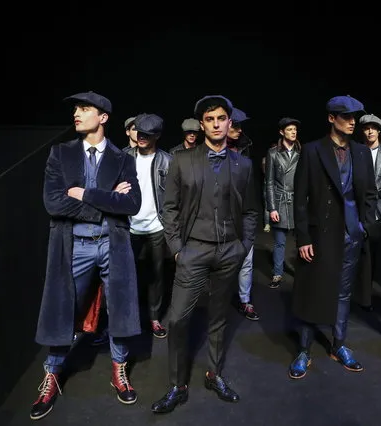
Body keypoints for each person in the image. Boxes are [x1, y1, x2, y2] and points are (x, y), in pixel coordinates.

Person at [31, 91, 142, 420]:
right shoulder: (60, 154)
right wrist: (106, 202)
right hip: (74, 244)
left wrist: (86, 194)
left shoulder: (123, 159)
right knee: (63, 309)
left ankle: (119, 370)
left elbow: (131, 205)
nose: (77, 114)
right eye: (76, 109)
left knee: (120, 308)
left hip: (113, 243)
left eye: (85, 109)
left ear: (103, 118)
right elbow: (54, 203)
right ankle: (52, 375)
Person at [152, 95, 257, 414]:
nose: (215, 124)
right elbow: (168, 208)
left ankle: (214, 374)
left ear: (229, 123)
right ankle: (177, 385)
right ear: (202, 124)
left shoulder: (244, 164)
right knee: (179, 318)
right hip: (192, 250)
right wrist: (177, 250)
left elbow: (252, 211)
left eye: (221, 118)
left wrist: (243, 247)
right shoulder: (182, 160)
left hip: (228, 251)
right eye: (210, 119)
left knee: (219, 317)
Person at [288, 95, 377, 380]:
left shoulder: (361, 153)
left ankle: (338, 344)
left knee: (343, 292)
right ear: (331, 118)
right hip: (320, 235)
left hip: (352, 233)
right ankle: (303, 350)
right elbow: (299, 198)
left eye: (355, 117)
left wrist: (365, 226)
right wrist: (303, 237)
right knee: (312, 290)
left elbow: (371, 193)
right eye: (346, 116)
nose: (353, 122)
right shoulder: (313, 150)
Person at [126, 113, 172, 339]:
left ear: (158, 135)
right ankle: (128, 319)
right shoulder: (123, 157)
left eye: (148, 134)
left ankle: (154, 318)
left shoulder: (167, 161)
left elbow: (174, 198)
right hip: (127, 227)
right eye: (139, 132)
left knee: (156, 275)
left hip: (156, 227)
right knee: (125, 276)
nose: (142, 137)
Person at [357, 114, 381, 300]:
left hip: (376, 210)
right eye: (366, 128)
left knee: (370, 256)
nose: (370, 131)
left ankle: (365, 298)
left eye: (373, 127)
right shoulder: (355, 150)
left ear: (379, 130)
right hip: (355, 206)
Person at [227, 106, 260, 321]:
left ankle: (245, 300)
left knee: (247, 260)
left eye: (241, 126)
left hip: (244, 212)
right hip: (220, 214)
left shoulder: (246, 147)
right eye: (236, 125)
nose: (239, 130)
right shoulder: (211, 149)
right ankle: (219, 300)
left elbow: (251, 184)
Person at [265, 117, 301, 289]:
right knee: (280, 242)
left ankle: (302, 274)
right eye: (290, 129)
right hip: (280, 201)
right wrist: (271, 207)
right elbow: (269, 182)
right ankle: (278, 273)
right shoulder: (273, 153)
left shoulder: (302, 152)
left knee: (301, 241)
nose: (293, 132)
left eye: (295, 129)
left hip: (297, 201)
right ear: (282, 132)